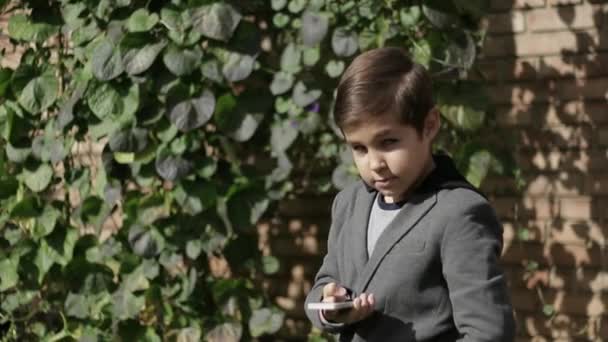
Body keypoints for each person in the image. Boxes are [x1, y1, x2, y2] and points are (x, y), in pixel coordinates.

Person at [304, 47, 515, 341]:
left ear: (429, 125)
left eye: (388, 142)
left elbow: (488, 333)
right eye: (359, 148)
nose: (375, 164)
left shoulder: (459, 212)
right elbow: (325, 282)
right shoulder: (348, 204)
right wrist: (330, 306)